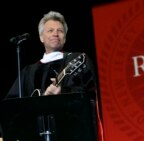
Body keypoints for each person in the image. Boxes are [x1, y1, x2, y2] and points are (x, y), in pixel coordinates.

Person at [1, 11, 103, 141]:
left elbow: (89, 95)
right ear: (41, 37)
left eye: (60, 30)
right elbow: (10, 106)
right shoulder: (28, 72)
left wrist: (63, 91)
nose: (55, 34)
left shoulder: (77, 60)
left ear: (65, 37)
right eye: (50, 30)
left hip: (71, 133)